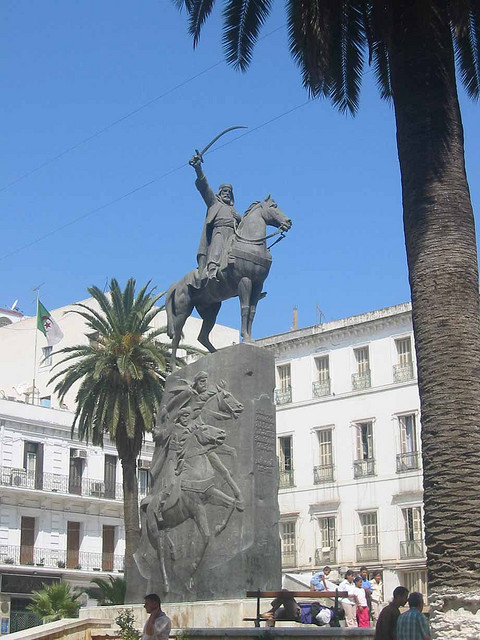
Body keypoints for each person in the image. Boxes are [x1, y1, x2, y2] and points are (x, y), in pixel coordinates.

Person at [190, 154, 242, 281]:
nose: (227, 194)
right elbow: (204, 188)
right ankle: (212, 271)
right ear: (219, 193)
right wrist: (198, 169)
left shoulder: (233, 210)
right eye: (224, 191)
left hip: (233, 235)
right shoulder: (214, 203)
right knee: (217, 246)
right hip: (219, 232)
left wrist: (239, 218)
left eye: (229, 192)